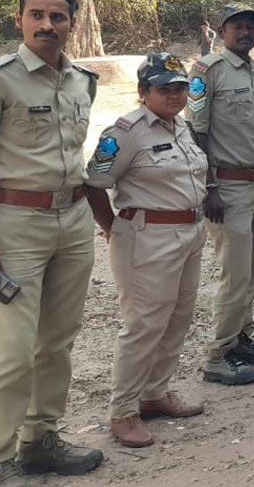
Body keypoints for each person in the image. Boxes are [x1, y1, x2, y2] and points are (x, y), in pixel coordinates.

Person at [0, 0, 104, 484]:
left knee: (58, 341)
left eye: (58, 17)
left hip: (72, 220)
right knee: (13, 350)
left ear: (72, 22)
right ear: (19, 20)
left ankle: (40, 439)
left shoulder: (82, 81)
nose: (47, 25)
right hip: (16, 224)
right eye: (37, 15)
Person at [85, 53, 211, 448]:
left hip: (189, 234)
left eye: (179, 87)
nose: (174, 95)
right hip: (146, 237)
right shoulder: (124, 132)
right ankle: (123, 411)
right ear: (143, 93)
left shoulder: (182, 128)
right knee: (143, 326)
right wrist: (112, 228)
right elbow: (93, 182)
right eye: (164, 88)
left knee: (177, 317)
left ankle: (155, 393)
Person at [188, 4, 254, 384]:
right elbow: (196, 132)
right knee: (234, 274)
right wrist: (209, 187)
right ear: (221, 30)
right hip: (227, 188)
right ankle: (217, 355)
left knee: (253, 271)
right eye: (238, 26)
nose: (246, 32)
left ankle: (240, 340)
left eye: (252, 27)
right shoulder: (206, 72)